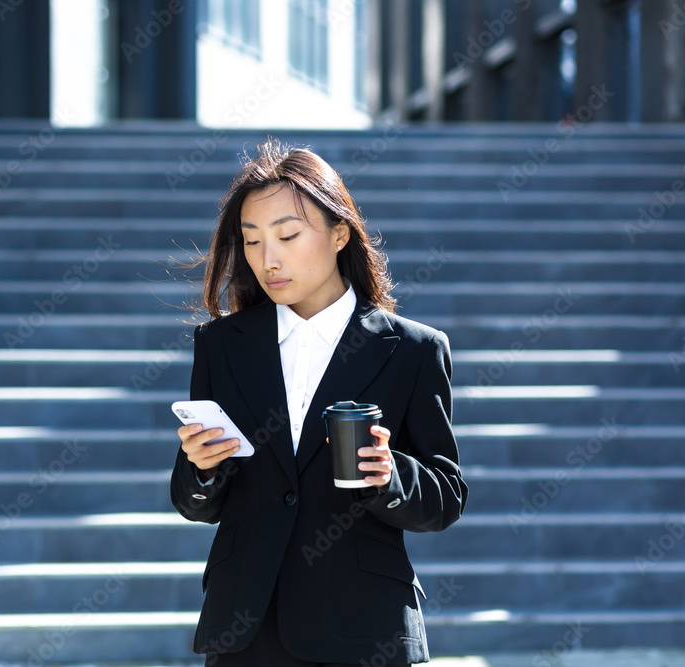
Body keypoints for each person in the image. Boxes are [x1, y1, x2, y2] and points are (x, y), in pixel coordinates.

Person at [169, 137, 467, 666]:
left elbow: (445, 497)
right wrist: (202, 470)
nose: (269, 258)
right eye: (252, 240)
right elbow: (194, 502)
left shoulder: (413, 350)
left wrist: (388, 474)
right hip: (245, 630)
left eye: (287, 235)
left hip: (364, 629)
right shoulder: (221, 345)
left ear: (338, 234)